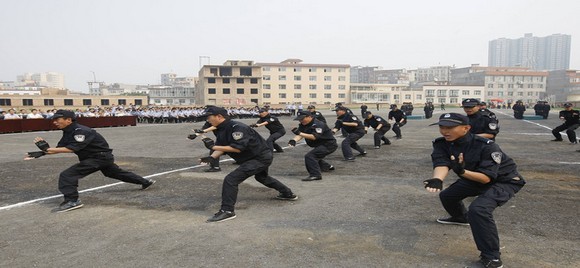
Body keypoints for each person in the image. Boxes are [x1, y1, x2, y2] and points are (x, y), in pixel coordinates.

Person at [424, 113, 525, 268]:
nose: (445, 131)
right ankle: (460, 218)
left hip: (503, 180)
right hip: (474, 177)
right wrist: (438, 179)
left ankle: (492, 257)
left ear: (466, 128)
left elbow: (486, 179)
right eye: (442, 127)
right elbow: (441, 162)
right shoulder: (442, 143)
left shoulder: (486, 145)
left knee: (478, 210)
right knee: (447, 195)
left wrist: (463, 172)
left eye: (450, 127)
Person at [25, 109, 156, 212]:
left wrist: (48, 149)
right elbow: (60, 148)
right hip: (99, 158)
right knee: (114, 173)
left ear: (68, 120)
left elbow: (71, 148)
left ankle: (72, 201)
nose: (54, 122)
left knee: (68, 175)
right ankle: (145, 182)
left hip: (98, 157)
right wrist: (42, 152)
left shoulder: (81, 131)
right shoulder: (67, 131)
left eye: (57, 119)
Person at [198, 106, 297, 223]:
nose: (207, 120)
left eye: (209, 117)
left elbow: (237, 148)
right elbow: (223, 147)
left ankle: (227, 211)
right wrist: (211, 157)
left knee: (231, 179)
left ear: (219, 117)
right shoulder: (221, 129)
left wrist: (212, 147)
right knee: (262, 178)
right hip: (253, 157)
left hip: (260, 158)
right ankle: (287, 194)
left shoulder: (237, 128)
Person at [288, 111, 338, 181]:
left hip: (329, 144)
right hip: (320, 145)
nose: (301, 121)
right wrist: (294, 140)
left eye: (302, 119)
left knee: (310, 156)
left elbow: (314, 137)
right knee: (315, 156)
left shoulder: (318, 124)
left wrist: (299, 133)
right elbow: (300, 134)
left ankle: (315, 175)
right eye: (299, 119)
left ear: (309, 117)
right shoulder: (303, 124)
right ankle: (327, 167)